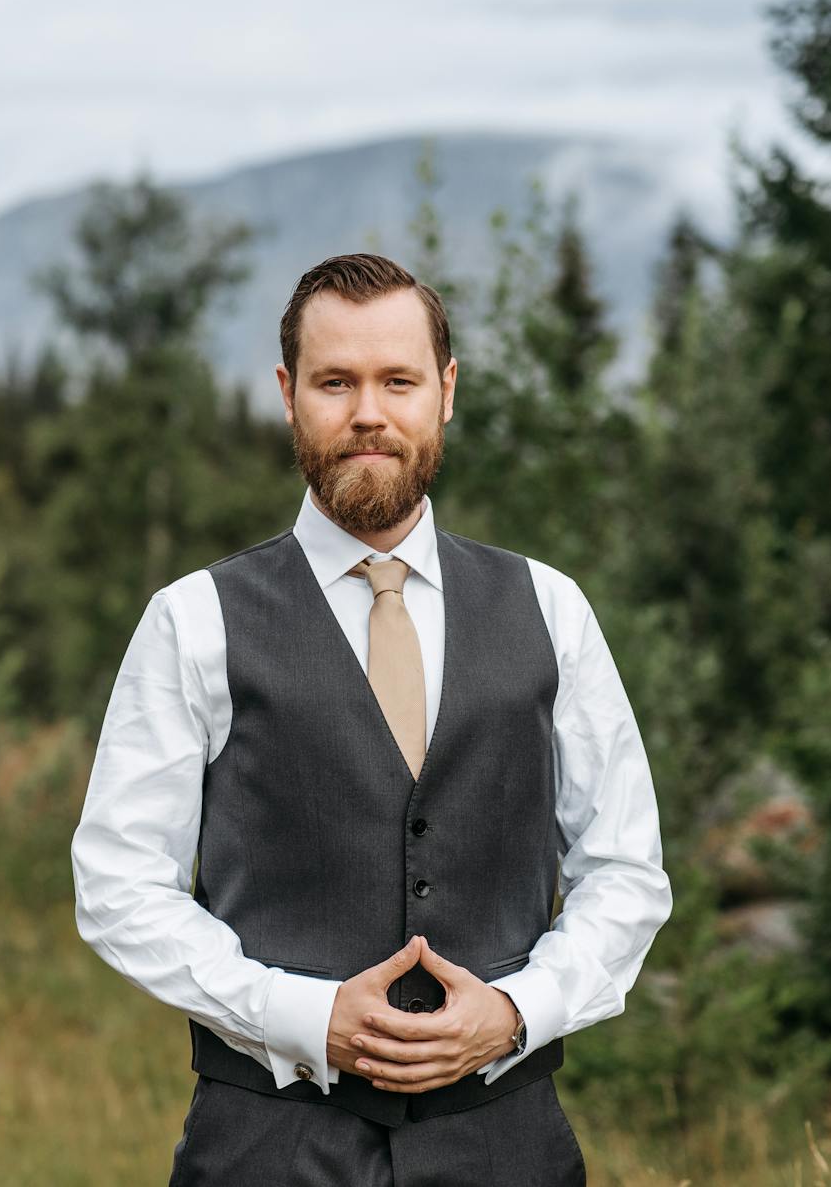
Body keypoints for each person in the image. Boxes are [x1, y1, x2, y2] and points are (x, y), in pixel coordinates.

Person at [70, 252, 672, 1185]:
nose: (368, 414)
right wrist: (299, 1018)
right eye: (335, 382)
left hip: (507, 1148)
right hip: (265, 1149)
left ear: (447, 391)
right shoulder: (192, 619)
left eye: (398, 381)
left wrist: (518, 1009)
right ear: (287, 393)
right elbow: (115, 882)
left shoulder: (551, 608)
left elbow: (628, 868)